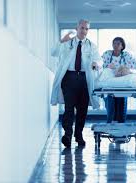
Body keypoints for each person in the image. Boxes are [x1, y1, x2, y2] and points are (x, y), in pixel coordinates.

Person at [50, 19, 103, 148]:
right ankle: (67, 135)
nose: (84, 31)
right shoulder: (67, 43)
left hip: (84, 79)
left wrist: (97, 64)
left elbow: (99, 60)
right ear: (77, 28)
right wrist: (62, 41)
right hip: (69, 78)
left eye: (86, 29)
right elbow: (54, 53)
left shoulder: (92, 45)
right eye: (82, 28)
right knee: (69, 108)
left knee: (82, 109)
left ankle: (78, 135)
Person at [102, 37, 136, 123]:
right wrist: (108, 67)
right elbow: (100, 65)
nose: (115, 45)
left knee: (121, 108)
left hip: (122, 85)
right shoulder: (107, 54)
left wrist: (126, 70)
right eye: (114, 43)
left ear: (122, 46)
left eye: (118, 44)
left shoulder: (126, 55)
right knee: (111, 108)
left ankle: (121, 126)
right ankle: (111, 125)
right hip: (110, 85)